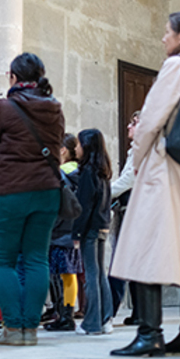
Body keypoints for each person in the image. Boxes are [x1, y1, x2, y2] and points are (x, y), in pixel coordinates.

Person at [110, 12, 180, 357]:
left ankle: (149, 333)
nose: (163, 39)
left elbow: (150, 119)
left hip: (165, 171)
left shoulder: (175, 67)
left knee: (143, 246)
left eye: (166, 33)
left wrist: (138, 160)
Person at [0, 52, 65, 346]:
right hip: (47, 192)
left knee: (3, 261)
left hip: (10, 191)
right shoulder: (55, 108)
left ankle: (13, 329)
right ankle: (30, 330)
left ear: (13, 78)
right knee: (37, 259)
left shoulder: (5, 107)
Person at [72, 129, 113, 336]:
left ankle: (92, 323)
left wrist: (77, 233)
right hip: (102, 225)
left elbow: (84, 206)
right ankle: (106, 319)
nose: (75, 148)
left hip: (89, 229)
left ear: (86, 146)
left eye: (78, 144)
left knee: (90, 275)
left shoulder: (87, 172)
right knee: (99, 274)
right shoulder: (103, 170)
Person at [45, 134, 82, 332]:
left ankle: (63, 316)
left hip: (58, 230)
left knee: (57, 275)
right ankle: (67, 314)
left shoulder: (59, 173)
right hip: (74, 229)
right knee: (69, 274)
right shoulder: (80, 172)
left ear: (62, 151)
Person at [109, 112, 140, 325]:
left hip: (136, 210)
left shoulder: (140, 149)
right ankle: (140, 312)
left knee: (121, 262)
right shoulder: (136, 150)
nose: (129, 126)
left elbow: (128, 179)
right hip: (133, 208)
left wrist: (106, 192)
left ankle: (108, 311)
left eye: (134, 123)